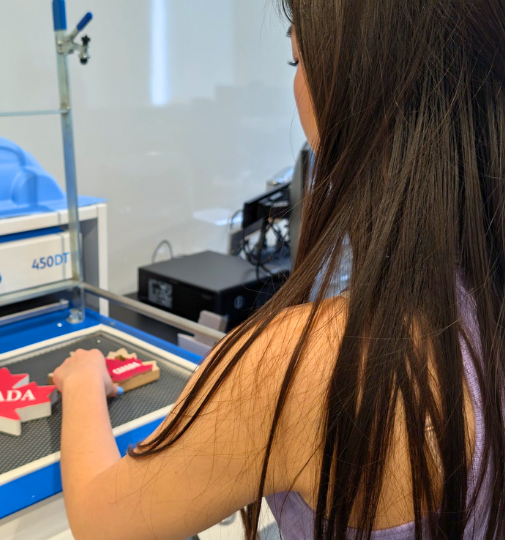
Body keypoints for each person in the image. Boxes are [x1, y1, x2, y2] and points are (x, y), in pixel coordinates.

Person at [52, 0, 505, 537]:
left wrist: (82, 382)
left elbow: (102, 522)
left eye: (298, 61)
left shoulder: (316, 367)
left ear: (355, 86)